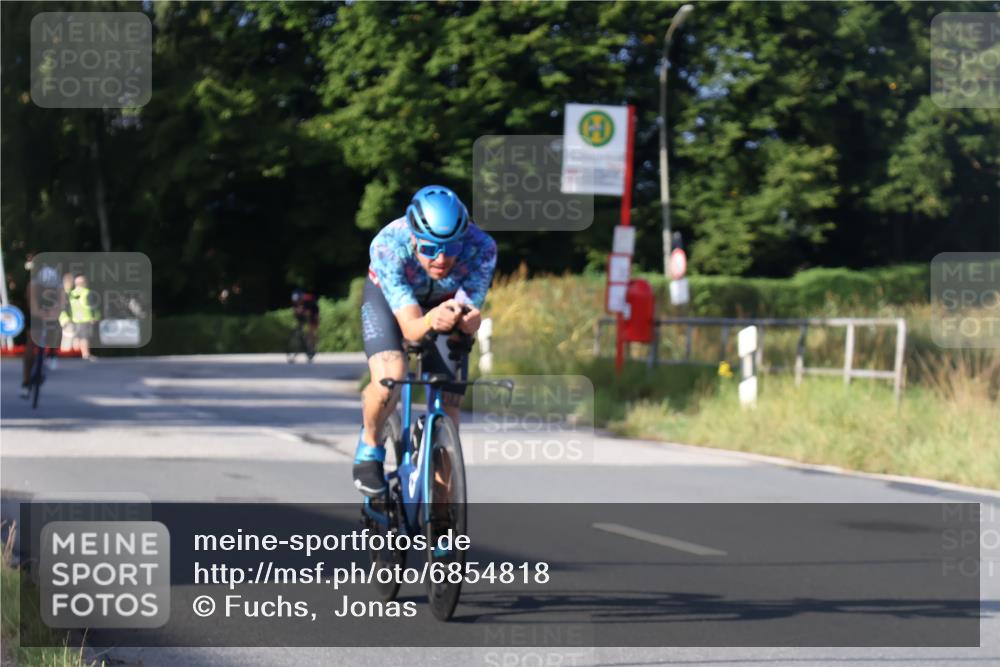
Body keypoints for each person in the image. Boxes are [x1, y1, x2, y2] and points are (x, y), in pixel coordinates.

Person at [354, 185, 497, 496]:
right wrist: (432, 319)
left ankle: (442, 510)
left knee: (450, 402)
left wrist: (469, 321)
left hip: (444, 303)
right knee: (390, 377)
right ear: (414, 238)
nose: (441, 259)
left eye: (452, 248)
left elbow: (467, 310)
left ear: (464, 239)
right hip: (389, 302)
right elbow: (410, 329)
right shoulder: (388, 245)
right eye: (430, 249)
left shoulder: (482, 247)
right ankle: (370, 446)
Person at [20, 264, 64, 398]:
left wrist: (54, 314)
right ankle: (26, 382)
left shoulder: (59, 286)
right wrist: (40, 314)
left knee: (57, 328)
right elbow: (32, 307)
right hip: (36, 311)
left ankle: (52, 353)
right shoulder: (32, 286)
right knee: (31, 342)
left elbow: (61, 305)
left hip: (51, 307)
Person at [68, 274, 100, 361]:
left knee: (77, 337)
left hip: (75, 319)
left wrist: (69, 317)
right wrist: (95, 316)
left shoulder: (71, 293)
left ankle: (76, 354)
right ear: (85, 283)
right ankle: (85, 354)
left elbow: (68, 307)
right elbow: (93, 306)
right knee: (84, 337)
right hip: (86, 318)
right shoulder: (87, 292)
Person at [58, 272, 77, 353]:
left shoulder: (69, 292)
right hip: (65, 317)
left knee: (70, 334)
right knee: (68, 333)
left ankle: (69, 351)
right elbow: (63, 306)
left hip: (68, 317)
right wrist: (67, 317)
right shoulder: (63, 292)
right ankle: (65, 351)